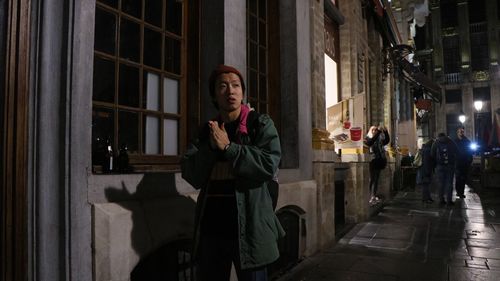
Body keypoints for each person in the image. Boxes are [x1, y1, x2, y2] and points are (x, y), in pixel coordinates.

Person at [181, 64, 284, 281]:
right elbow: (192, 174)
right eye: (223, 86)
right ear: (214, 95)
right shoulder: (206, 132)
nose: (231, 91)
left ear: (243, 92)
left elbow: (269, 164)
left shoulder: (260, 125)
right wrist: (211, 147)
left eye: (236, 86)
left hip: (250, 230)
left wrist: (230, 148)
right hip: (211, 231)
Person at [364, 125, 390, 205]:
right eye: (373, 130)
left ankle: (373, 196)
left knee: (376, 180)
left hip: (379, 161)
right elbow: (370, 142)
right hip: (372, 161)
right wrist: (378, 132)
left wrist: (385, 131)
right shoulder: (368, 138)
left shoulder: (379, 139)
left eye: (376, 130)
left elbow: (387, 141)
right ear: (370, 131)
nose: (375, 131)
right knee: (372, 179)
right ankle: (370, 197)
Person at [431, 132, 459, 206]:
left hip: (440, 166)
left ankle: (441, 200)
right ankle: (449, 201)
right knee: (449, 183)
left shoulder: (436, 143)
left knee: (440, 183)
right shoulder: (451, 142)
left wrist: (435, 164)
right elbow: (457, 151)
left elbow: (432, 154)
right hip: (450, 165)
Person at [453, 126, 473, 198]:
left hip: (465, 162)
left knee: (464, 178)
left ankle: (461, 192)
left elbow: (470, 151)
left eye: (462, 131)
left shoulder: (467, 141)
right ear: (457, 132)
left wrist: (469, 160)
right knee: (458, 178)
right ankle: (459, 192)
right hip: (457, 163)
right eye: (460, 131)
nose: (461, 133)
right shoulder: (454, 141)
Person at [416, 138, 435, 203]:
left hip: (424, 169)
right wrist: (427, 171)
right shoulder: (427, 150)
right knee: (425, 185)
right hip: (425, 170)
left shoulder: (425, 149)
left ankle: (428, 197)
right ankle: (425, 199)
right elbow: (426, 162)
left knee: (427, 185)